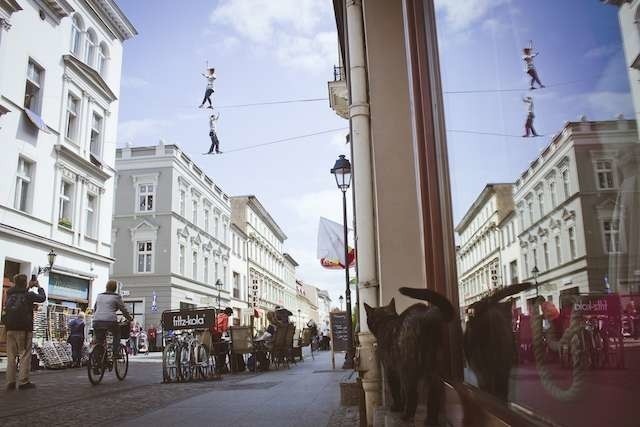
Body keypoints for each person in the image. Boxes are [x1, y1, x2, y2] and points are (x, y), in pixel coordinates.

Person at [1, 274, 46, 390]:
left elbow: (19, 295)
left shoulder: (10, 293)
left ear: (15, 282)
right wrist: (38, 286)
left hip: (10, 328)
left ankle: (10, 381)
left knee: (11, 356)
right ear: (25, 282)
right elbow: (42, 298)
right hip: (24, 328)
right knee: (24, 355)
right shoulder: (29, 294)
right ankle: (23, 381)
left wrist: (28, 287)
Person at [92, 280, 133, 358]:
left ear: (106, 287)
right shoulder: (116, 297)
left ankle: (97, 360)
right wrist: (130, 318)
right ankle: (116, 352)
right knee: (117, 334)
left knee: (99, 340)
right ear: (115, 288)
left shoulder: (99, 296)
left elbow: (95, 308)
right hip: (110, 321)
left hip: (97, 320)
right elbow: (123, 310)